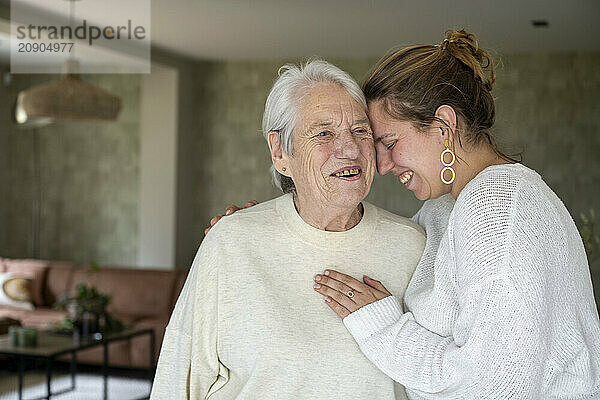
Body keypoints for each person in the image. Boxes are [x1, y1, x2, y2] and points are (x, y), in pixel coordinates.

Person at [207, 30, 600, 398]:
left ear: (444, 126)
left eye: (389, 142)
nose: (380, 164)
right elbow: (370, 247)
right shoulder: (446, 211)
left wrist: (384, 329)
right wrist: (271, 226)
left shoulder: (498, 206)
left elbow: (499, 388)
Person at [151, 60, 426, 399]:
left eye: (360, 131)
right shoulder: (231, 242)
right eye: (324, 133)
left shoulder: (413, 246)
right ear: (280, 151)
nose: (351, 149)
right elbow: (178, 379)